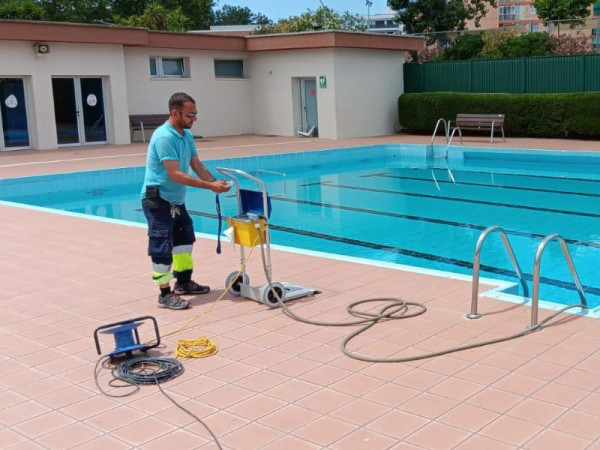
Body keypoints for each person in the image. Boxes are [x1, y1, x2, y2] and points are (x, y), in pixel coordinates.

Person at [141, 92, 231, 310]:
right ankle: (164, 293)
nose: (194, 119)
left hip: (176, 201)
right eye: (190, 114)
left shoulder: (186, 135)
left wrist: (213, 181)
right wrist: (210, 186)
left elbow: (196, 164)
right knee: (162, 247)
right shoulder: (164, 137)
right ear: (175, 112)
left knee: (184, 241)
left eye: (195, 114)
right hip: (158, 200)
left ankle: (183, 282)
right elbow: (176, 175)